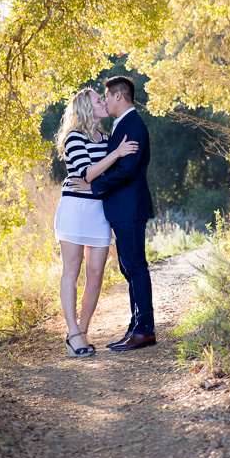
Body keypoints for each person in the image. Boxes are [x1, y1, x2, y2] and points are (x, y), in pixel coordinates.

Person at [69, 76, 156, 351]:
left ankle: (144, 330)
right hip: (121, 208)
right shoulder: (121, 125)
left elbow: (127, 170)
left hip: (129, 207)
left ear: (118, 96)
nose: (104, 101)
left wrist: (92, 186)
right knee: (129, 267)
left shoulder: (132, 125)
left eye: (105, 97)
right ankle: (135, 326)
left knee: (135, 267)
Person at [54, 88, 139, 358]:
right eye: (98, 100)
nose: (104, 102)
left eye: (103, 99)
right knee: (72, 271)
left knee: (96, 274)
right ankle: (72, 333)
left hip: (99, 210)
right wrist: (115, 155)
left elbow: (99, 179)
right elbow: (87, 173)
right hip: (75, 210)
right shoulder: (74, 137)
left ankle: (83, 331)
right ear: (86, 109)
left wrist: (110, 157)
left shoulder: (106, 138)